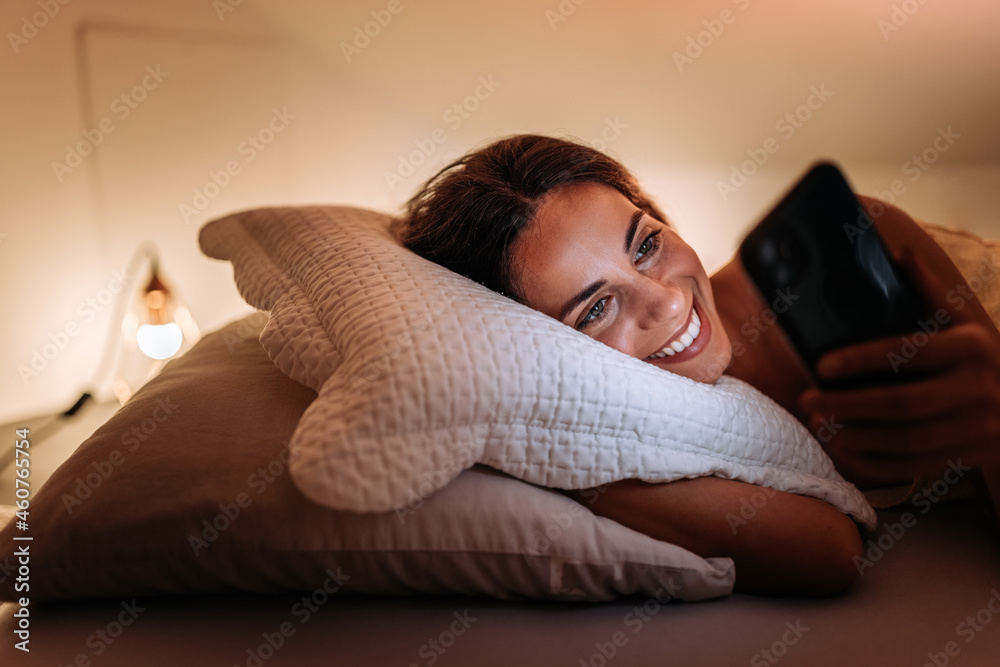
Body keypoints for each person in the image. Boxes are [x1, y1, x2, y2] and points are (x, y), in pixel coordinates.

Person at [392, 134, 1000, 596]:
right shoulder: (639, 433)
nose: (668, 300)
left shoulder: (865, 243)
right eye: (597, 307)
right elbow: (827, 555)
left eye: (646, 244)